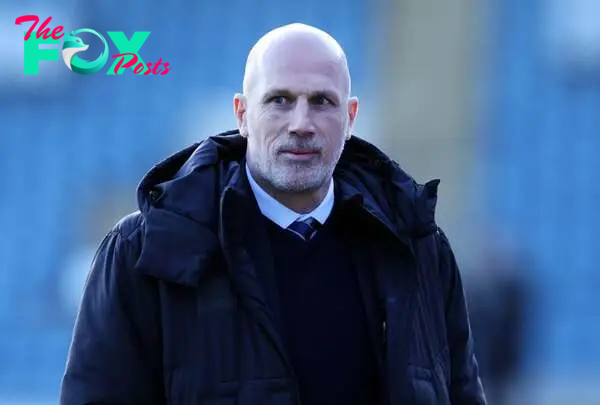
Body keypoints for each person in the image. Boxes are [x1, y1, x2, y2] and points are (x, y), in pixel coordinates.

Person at [60, 23, 487, 405]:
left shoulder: (416, 247)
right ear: (242, 114)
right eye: (279, 100)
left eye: (321, 101)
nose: (301, 123)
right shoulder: (145, 249)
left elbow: (462, 390)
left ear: (350, 117)